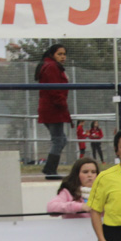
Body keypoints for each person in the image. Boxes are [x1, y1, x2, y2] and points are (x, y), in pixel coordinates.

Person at [35, 44, 71, 179]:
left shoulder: (50, 66)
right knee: (59, 140)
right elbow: (55, 90)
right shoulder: (52, 67)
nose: (63, 57)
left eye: (64, 54)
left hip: (51, 108)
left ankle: (50, 168)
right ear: (52, 55)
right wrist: (62, 105)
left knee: (61, 139)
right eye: (59, 54)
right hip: (53, 109)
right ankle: (50, 170)